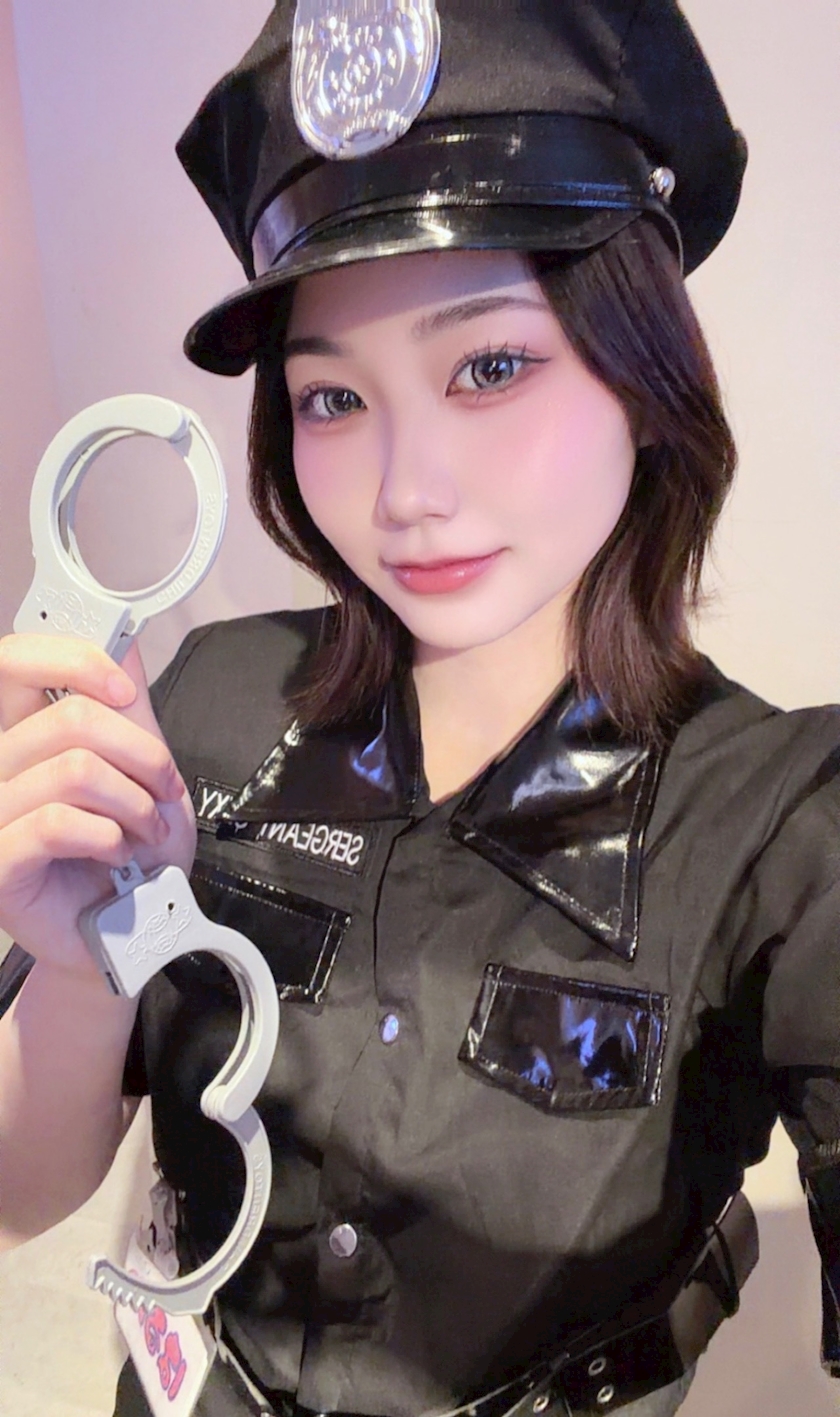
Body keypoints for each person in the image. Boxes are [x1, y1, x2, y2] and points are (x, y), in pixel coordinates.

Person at [0, 2, 838, 1415]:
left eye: (489, 367)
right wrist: (74, 963)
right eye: (332, 399)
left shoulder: (784, 829)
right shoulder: (206, 704)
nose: (404, 492)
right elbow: (21, 1199)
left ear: (646, 377)